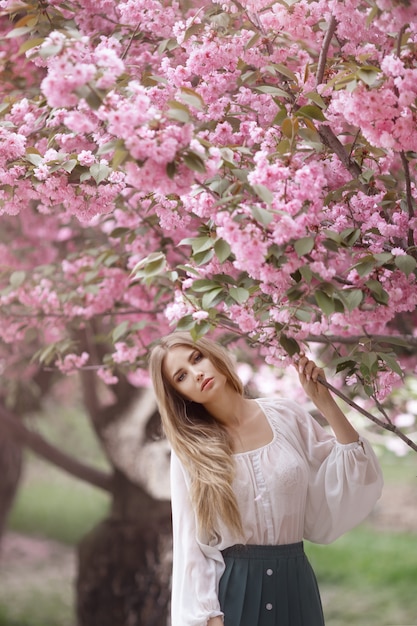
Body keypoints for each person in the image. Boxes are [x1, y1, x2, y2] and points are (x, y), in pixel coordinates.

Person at [149, 331, 383, 626]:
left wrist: (325, 403)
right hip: (234, 595)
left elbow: (351, 473)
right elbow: (190, 543)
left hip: (297, 587)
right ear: (179, 394)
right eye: (181, 376)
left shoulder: (285, 414)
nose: (197, 374)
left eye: (197, 358)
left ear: (212, 354)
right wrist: (208, 617)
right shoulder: (189, 452)